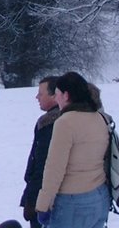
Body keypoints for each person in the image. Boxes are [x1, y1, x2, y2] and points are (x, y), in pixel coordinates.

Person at [34, 71, 110, 228]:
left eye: (57, 94)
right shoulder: (100, 118)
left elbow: (55, 167)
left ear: (66, 95)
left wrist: (43, 204)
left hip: (72, 201)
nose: (56, 98)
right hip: (100, 198)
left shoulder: (65, 122)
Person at [21, 76, 60, 228]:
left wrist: (32, 199)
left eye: (41, 93)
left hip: (45, 197)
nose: (37, 97)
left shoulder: (50, 125)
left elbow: (43, 164)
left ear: (55, 95)